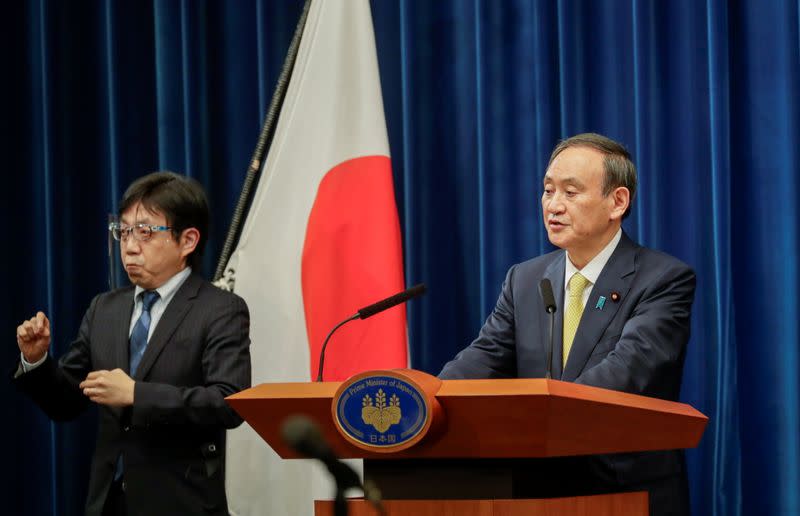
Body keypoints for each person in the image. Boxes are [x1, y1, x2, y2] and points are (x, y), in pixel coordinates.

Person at [439, 133, 696, 516]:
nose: (553, 206)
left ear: (617, 202)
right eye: (548, 190)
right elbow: (483, 358)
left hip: (623, 493)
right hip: (533, 493)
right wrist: (429, 401)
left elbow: (628, 373)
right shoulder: (525, 279)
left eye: (570, 193)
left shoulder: (662, 279)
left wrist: (531, 420)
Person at [14, 172, 251, 516]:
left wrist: (138, 394)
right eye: (123, 231)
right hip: (107, 501)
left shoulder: (220, 309)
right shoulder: (105, 308)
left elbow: (229, 402)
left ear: (188, 241)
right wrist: (36, 361)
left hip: (182, 501)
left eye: (145, 232)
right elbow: (67, 402)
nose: (129, 246)